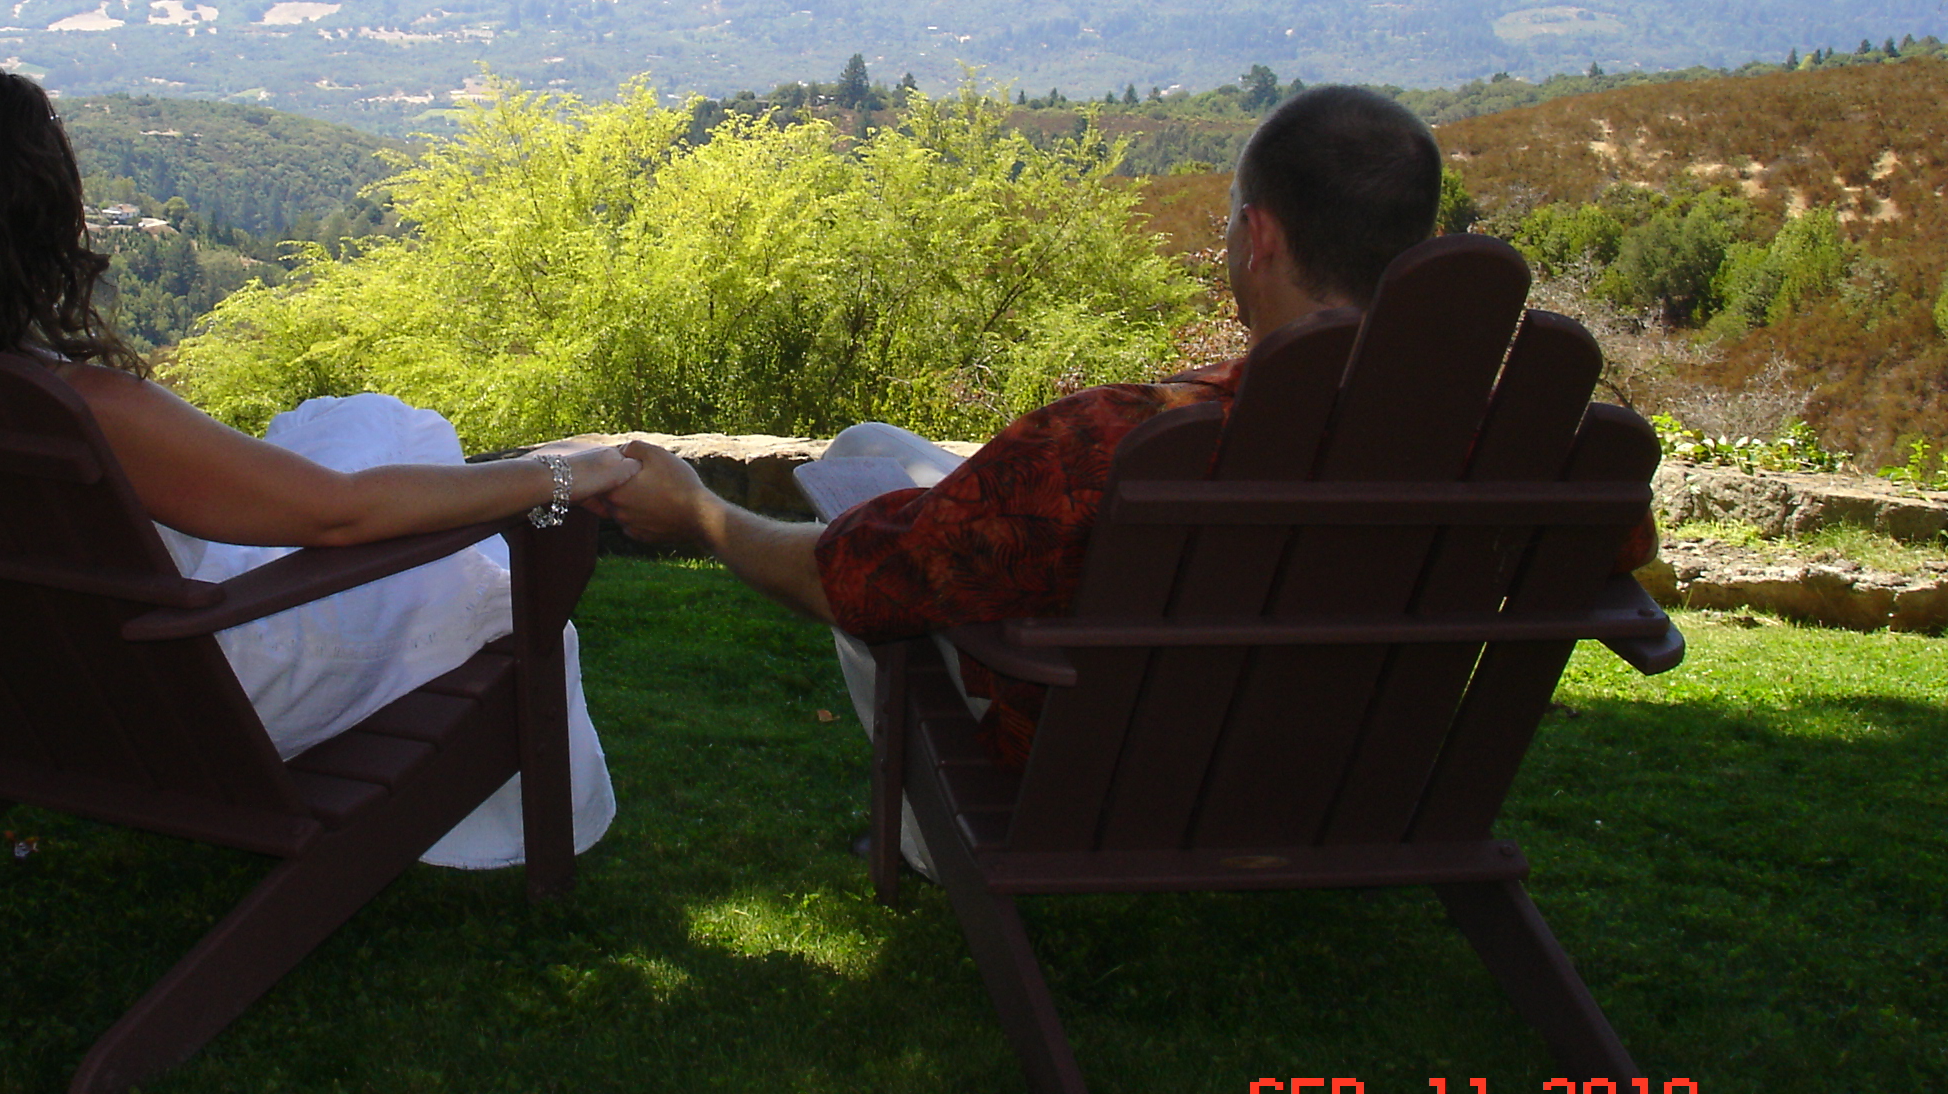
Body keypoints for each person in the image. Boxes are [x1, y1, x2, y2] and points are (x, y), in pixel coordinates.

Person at [602, 85, 1474, 868]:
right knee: (869, 447)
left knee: (887, 561)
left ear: (1262, 237)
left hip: (1118, 771)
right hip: (1338, 766)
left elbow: (853, 584)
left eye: (1230, 223)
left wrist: (699, 513)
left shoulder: (1116, 442)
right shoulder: (1482, 438)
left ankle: (930, 843)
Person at [0, 63, 636, 868]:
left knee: (372, 420)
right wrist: (563, 476)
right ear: (39, 217)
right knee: (471, 565)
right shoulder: (80, 408)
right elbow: (341, 516)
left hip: (18, 681)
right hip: (188, 687)